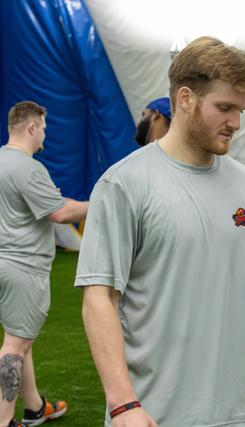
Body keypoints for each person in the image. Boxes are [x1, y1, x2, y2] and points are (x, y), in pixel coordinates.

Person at [75, 37, 245, 427]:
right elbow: (99, 297)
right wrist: (123, 404)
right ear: (185, 98)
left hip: (236, 416)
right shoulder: (124, 183)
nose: (236, 123)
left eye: (241, 110)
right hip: (149, 415)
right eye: (225, 108)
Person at [0, 101, 89, 427]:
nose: (45, 135)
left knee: (20, 337)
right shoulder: (28, 168)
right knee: (16, 345)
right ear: (32, 127)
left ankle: (35, 408)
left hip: (5, 263)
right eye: (44, 128)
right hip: (23, 267)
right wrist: (101, 203)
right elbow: (61, 213)